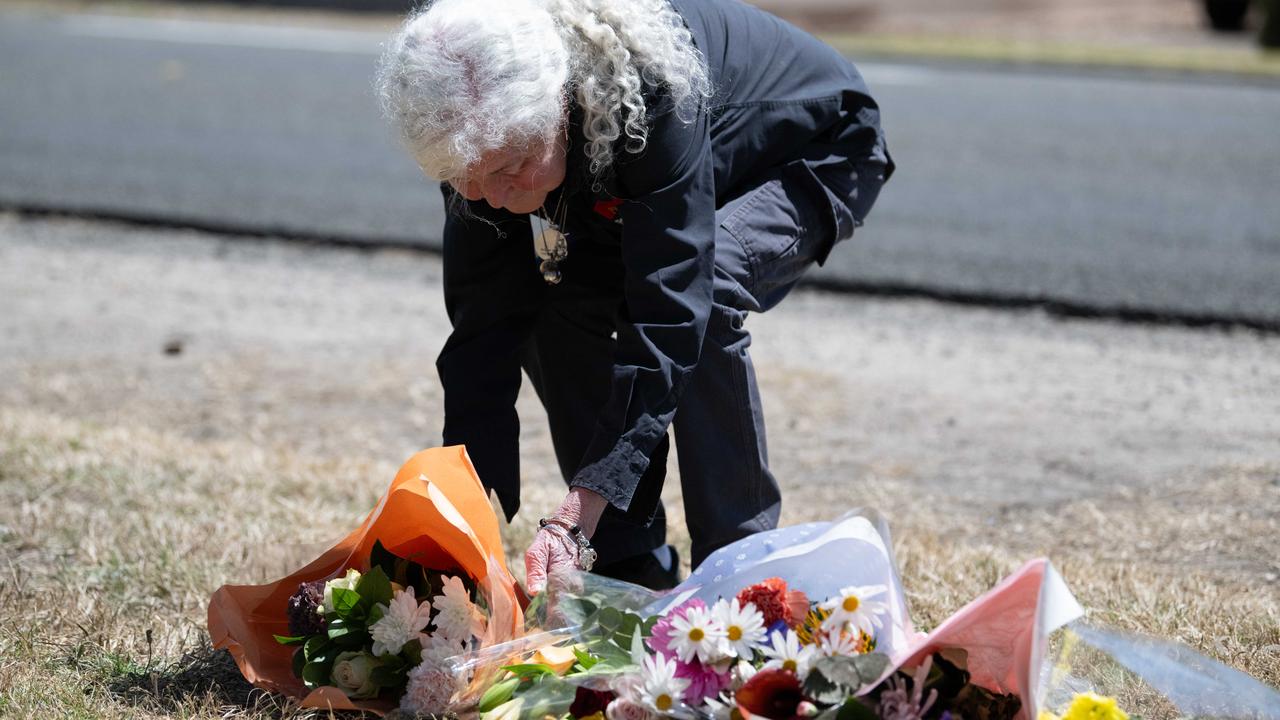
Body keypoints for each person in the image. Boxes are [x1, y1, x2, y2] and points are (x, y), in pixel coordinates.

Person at [377, 0, 892, 593]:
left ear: (561, 107)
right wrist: (462, 510)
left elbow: (669, 313)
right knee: (553, 293)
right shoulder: (479, 135)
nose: (487, 196)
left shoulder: (649, 92)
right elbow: (483, 321)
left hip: (814, 150)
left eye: (510, 169)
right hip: (648, 162)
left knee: (712, 284)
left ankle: (742, 574)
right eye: (466, 178)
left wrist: (583, 505)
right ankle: (629, 561)